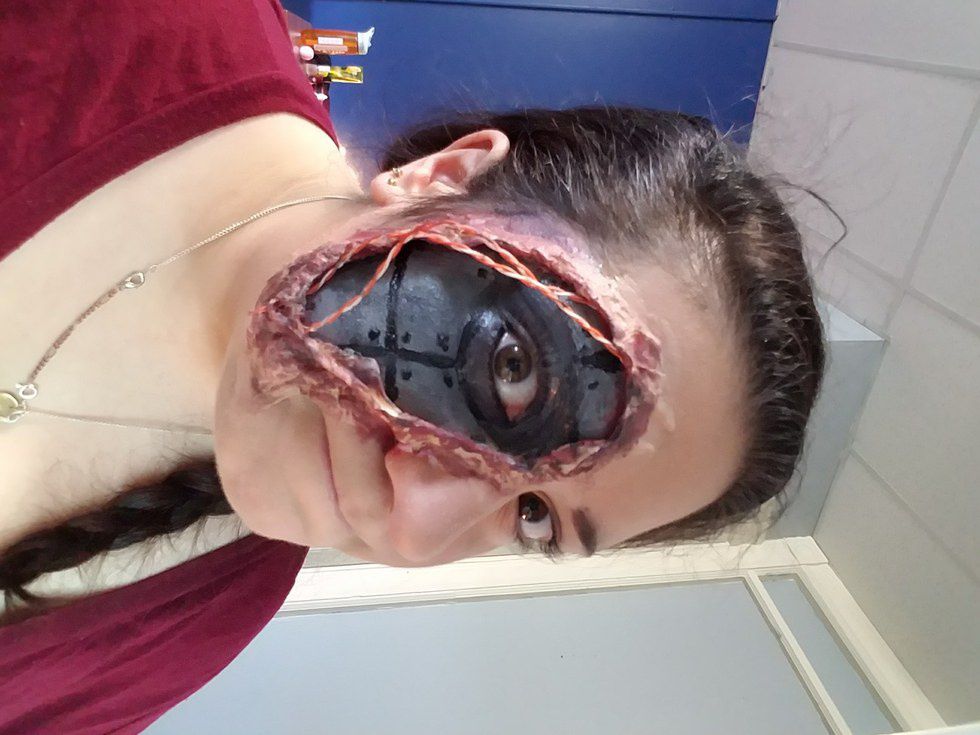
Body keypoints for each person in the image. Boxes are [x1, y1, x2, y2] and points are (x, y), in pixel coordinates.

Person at [0, 1, 824, 731]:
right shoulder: (140, 23)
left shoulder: (196, 616)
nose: (415, 526)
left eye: (534, 516)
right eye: (513, 366)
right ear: (443, 175)